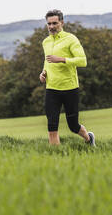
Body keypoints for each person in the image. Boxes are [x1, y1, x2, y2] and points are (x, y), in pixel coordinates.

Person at [39, 9, 95, 146]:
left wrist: (63, 59)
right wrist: (43, 73)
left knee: (73, 125)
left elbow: (83, 61)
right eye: (49, 24)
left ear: (62, 23)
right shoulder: (45, 42)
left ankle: (89, 139)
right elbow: (47, 61)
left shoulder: (71, 39)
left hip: (70, 88)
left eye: (54, 23)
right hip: (51, 88)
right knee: (52, 126)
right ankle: (56, 158)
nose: (51, 27)